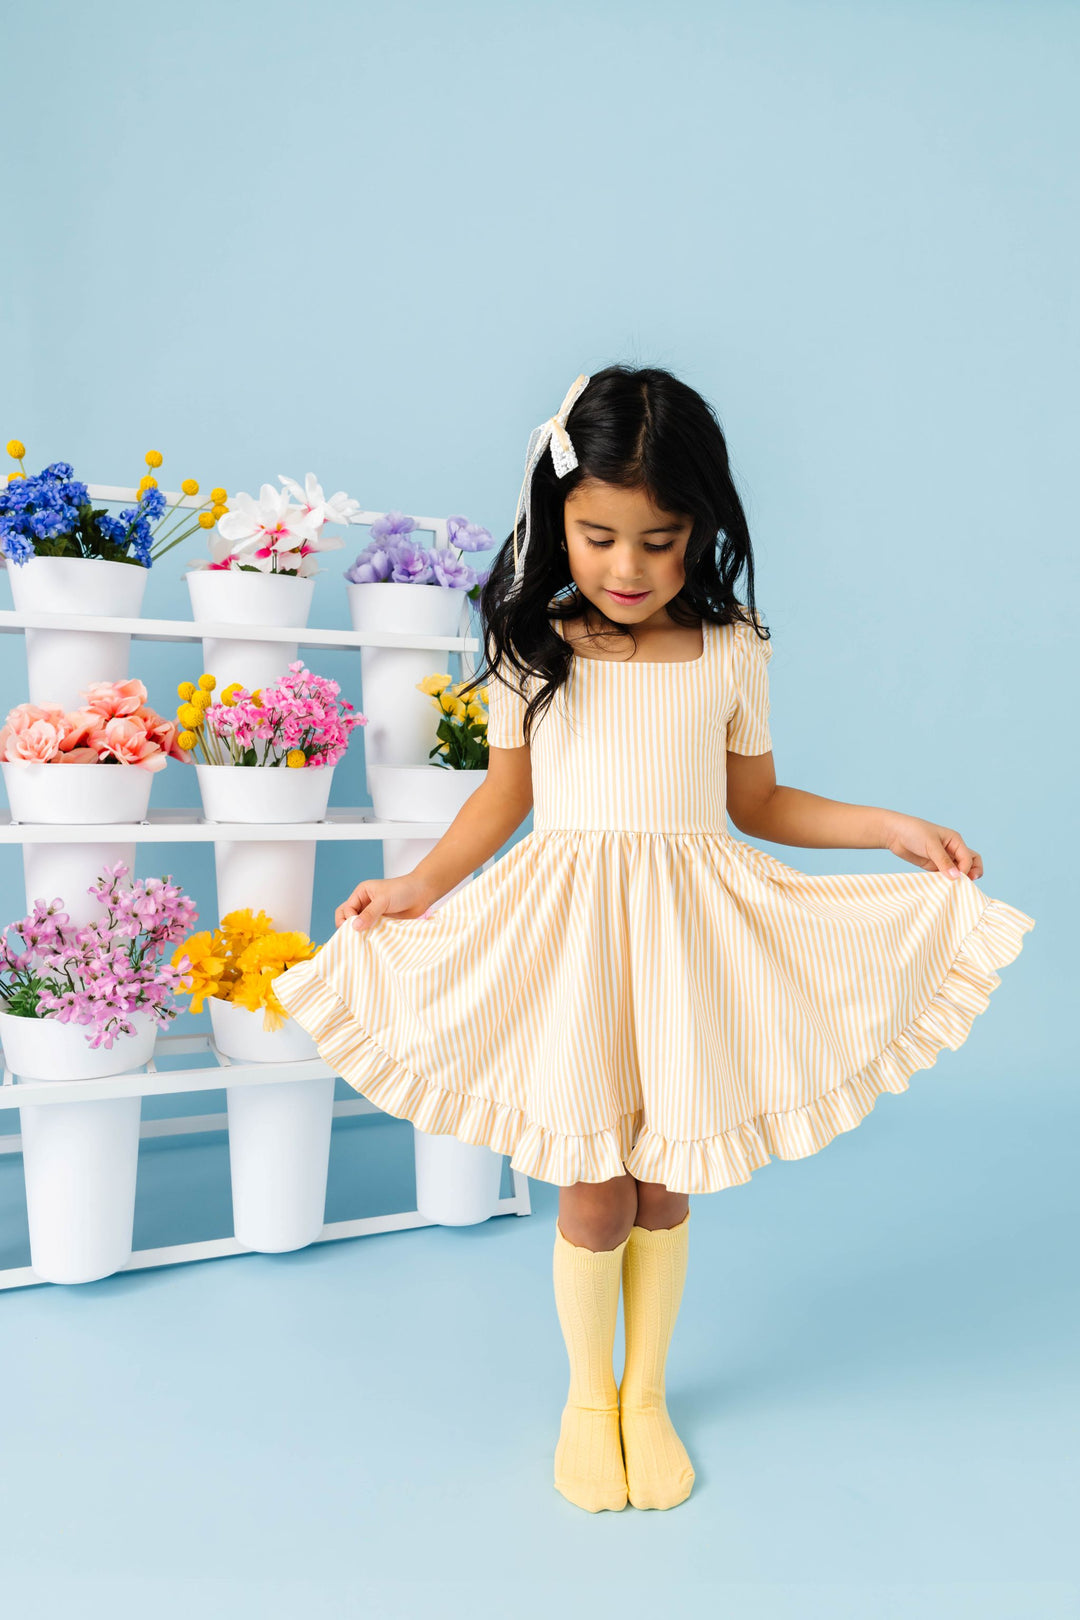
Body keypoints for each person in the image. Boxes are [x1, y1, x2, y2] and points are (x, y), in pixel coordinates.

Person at [273, 365, 1036, 1515]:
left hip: (688, 941)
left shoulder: (731, 648)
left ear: (701, 531)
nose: (626, 567)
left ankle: (647, 1392)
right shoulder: (535, 644)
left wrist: (888, 826)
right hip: (573, 942)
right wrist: (419, 884)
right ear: (558, 521)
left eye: (659, 541)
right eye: (599, 538)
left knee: (665, 1184)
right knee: (595, 1189)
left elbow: (758, 804)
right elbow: (504, 797)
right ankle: (590, 1397)